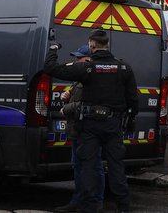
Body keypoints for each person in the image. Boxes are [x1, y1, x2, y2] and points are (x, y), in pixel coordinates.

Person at [44, 29, 137, 213]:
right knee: (116, 167)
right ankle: (123, 207)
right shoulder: (124, 68)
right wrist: (130, 120)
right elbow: (133, 100)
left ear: (92, 46)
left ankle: (90, 205)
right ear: (107, 45)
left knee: (87, 166)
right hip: (113, 124)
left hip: (90, 125)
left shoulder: (87, 68)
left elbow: (51, 68)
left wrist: (53, 49)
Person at [55, 44, 105, 212]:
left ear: (88, 59)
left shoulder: (94, 78)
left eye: (79, 58)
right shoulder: (80, 78)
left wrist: (66, 108)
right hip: (77, 129)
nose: (75, 61)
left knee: (93, 167)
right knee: (78, 167)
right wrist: (66, 97)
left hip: (89, 130)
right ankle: (79, 200)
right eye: (75, 58)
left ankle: (95, 202)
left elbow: (87, 103)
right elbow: (76, 99)